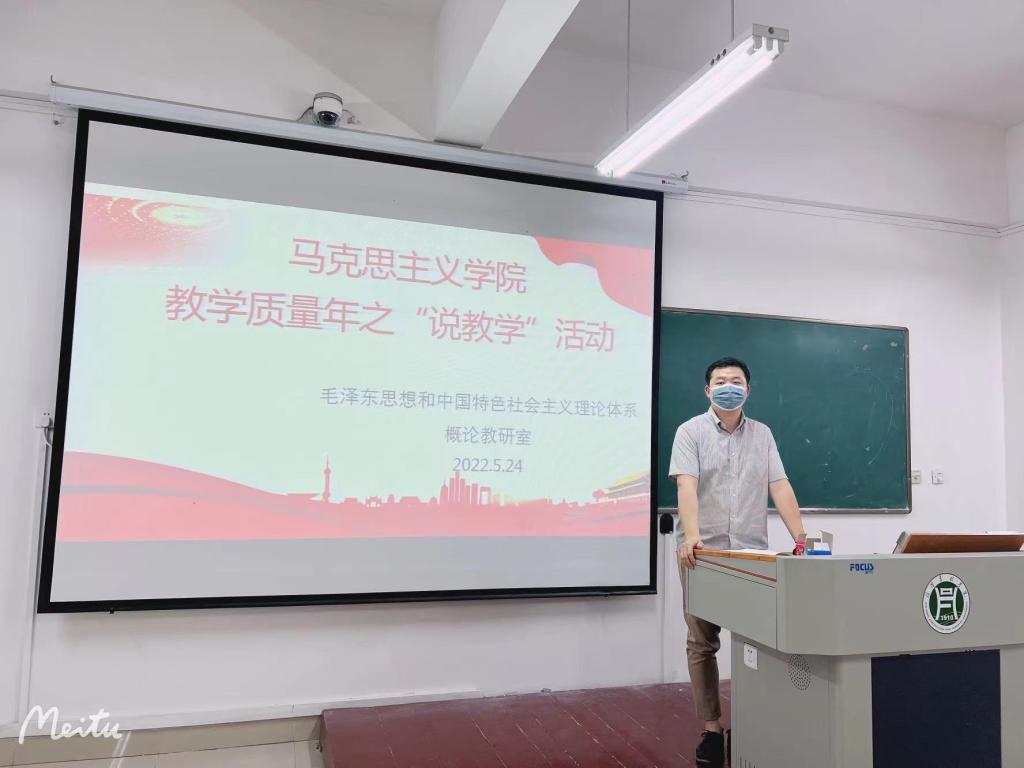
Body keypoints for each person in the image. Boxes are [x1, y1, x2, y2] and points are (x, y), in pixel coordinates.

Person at [668, 357, 806, 768]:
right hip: (702, 554)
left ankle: (755, 721)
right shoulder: (690, 431)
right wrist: (692, 537)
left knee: (759, 639)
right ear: (707, 390)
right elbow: (686, 486)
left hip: (750, 552)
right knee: (702, 642)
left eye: (736, 380)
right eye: (720, 381)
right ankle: (712, 730)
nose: (728, 386)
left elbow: (779, 485)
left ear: (748, 388)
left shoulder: (762, 434)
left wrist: (801, 537)